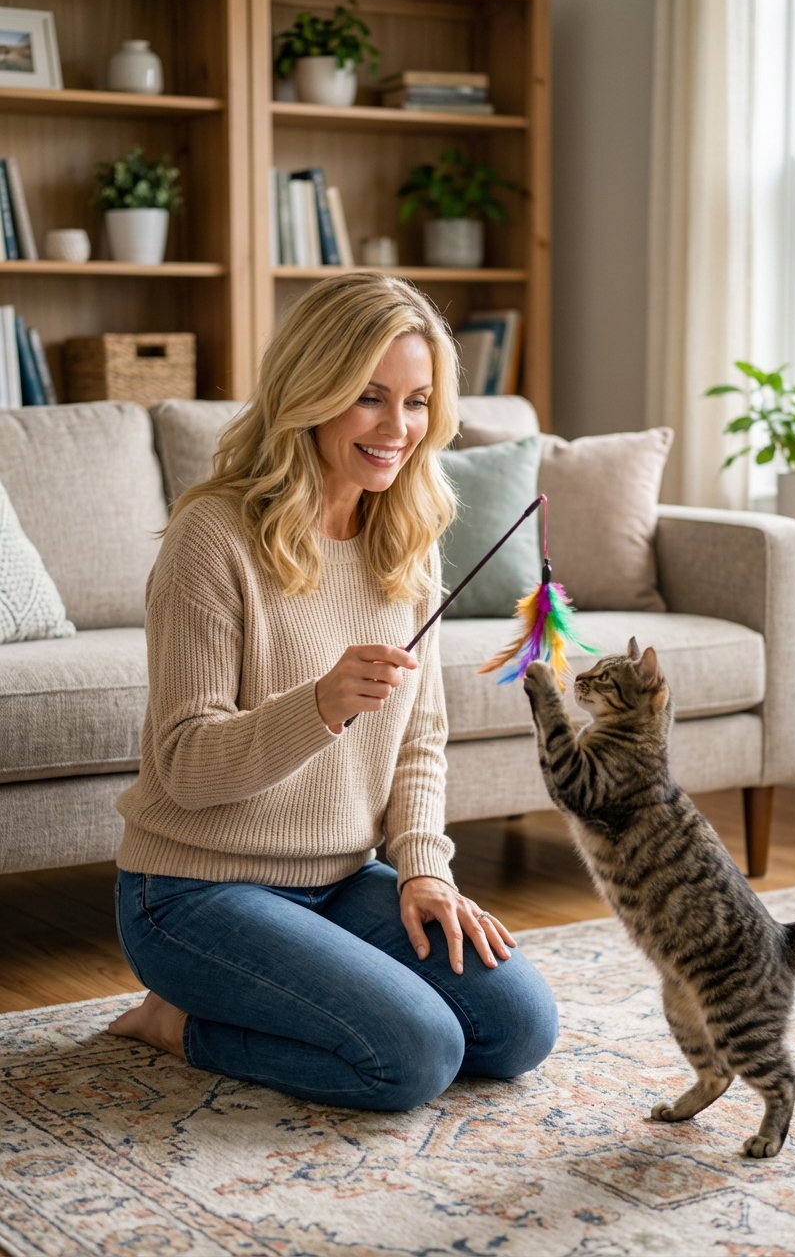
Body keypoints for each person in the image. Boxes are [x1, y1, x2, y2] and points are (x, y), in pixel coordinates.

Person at [109, 272, 559, 1110]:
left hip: (340, 878)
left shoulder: (406, 540)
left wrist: (425, 871)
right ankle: (178, 1022)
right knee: (416, 1055)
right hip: (194, 892)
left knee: (519, 1030)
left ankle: (292, 986)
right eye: (370, 397)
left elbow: (420, 739)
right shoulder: (213, 538)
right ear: (311, 392)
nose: (399, 428)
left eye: (419, 401)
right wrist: (317, 707)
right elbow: (183, 767)